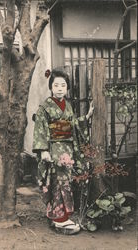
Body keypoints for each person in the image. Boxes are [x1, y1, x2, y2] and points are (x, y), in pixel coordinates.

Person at [32, 68, 94, 235]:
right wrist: (43, 150)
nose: (60, 88)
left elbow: (73, 125)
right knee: (58, 181)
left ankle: (61, 215)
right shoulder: (45, 107)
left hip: (67, 148)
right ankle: (59, 219)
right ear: (51, 87)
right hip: (53, 148)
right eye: (56, 85)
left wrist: (86, 118)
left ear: (67, 88)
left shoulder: (67, 106)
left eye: (63, 85)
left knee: (66, 181)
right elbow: (40, 127)